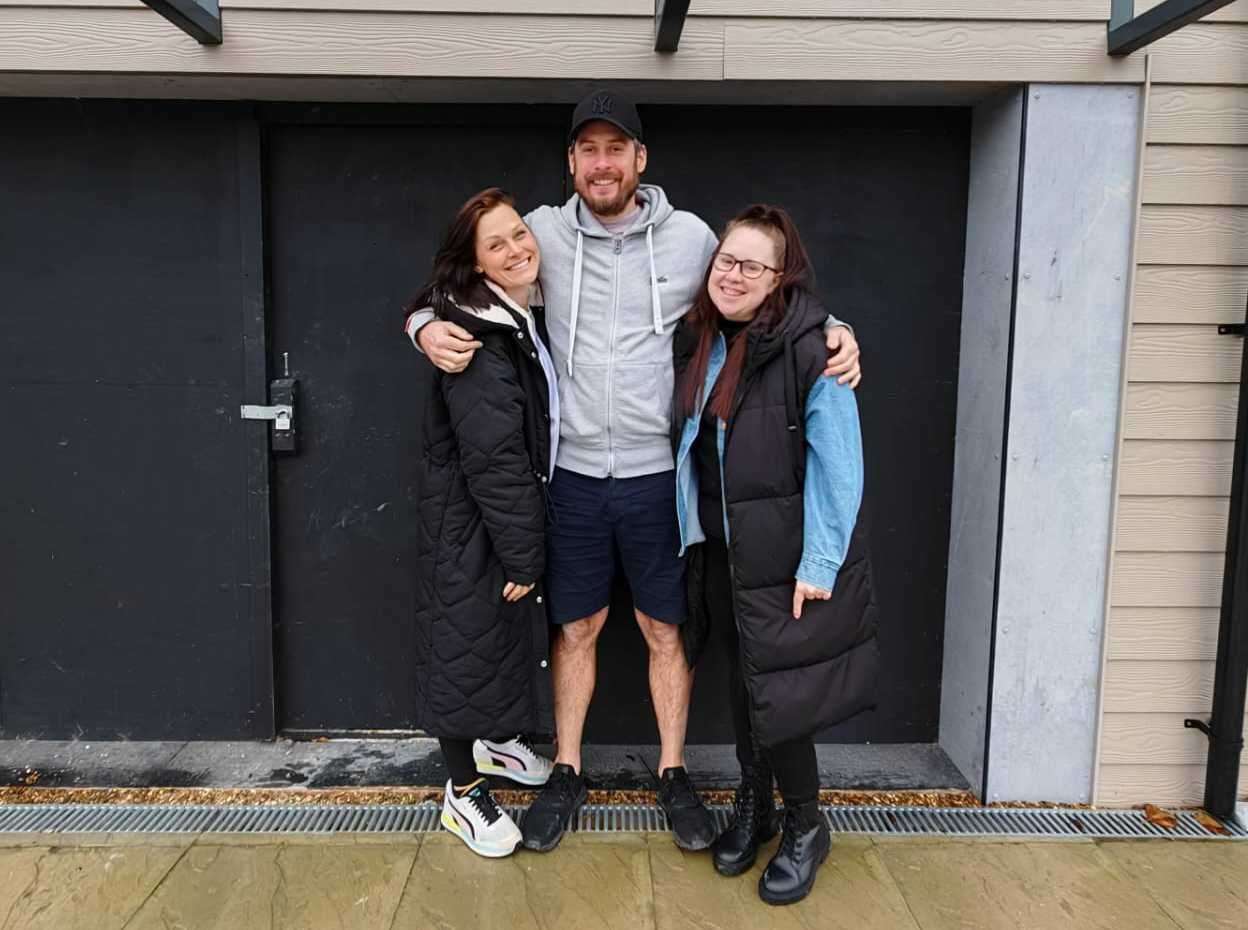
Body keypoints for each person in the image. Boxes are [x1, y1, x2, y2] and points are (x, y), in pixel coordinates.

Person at [407, 90, 863, 854]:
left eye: (616, 148)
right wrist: (421, 323)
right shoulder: (542, 234)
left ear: (641, 160)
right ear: (572, 162)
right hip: (574, 479)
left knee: (663, 630)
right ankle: (565, 769)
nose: (602, 162)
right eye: (588, 149)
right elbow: (465, 285)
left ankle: (674, 772)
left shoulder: (690, 239)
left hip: (661, 479)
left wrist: (839, 331)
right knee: (576, 628)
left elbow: (764, 291)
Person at [673, 205, 877, 905]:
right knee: (745, 690)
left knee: (783, 702)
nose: (732, 275)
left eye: (752, 265)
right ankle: (754, 806)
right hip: (726, 557)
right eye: (726, 260)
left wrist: (819, 565)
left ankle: (806, 827)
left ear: (779, 277)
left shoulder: (814, 347)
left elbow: (840, 468)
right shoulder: (703, 338)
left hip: (784, 564)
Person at [406, 187, 560, 858]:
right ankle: (462, 792)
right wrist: (525, 556)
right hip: (475, 525)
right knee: (463, 647)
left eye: (519, 233)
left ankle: (496, 744)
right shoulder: (473, 340)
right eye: (496, 244)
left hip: (493, 519)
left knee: (493, 637)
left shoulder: (509, 314)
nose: (518, 247)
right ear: (474, 264)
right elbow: (495, 459)